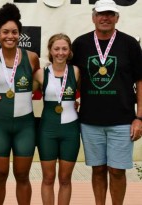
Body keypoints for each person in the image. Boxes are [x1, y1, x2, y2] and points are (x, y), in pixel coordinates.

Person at [71, 0, 142, 204]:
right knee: (99, 169)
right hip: (90, 120)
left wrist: (139, 117)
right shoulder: (81, 43)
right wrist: (71, 99)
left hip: (122, 120)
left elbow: (140, 80)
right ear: (93, 17)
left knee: (117, 171)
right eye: (101, 14)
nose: (105, 18)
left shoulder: (129, 44)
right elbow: (71, 76)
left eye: (110, 14)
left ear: (117, 18)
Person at [0, 3, 40, 205]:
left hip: (25, 127)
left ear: (20, 34)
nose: (10, 36)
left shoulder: (32, 58)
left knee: (23, 176)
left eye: (14, 32)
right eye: (5, 32)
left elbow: (40, 86)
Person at [36, 33, 80, 205]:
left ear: (69, 51)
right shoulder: (40, 74)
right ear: (50, 51)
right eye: (56, 49)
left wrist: (77, 103)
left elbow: (88, 94)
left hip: (70, 131)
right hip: (48, 130)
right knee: (48, 178)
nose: (60, 53)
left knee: (65, 179)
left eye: (64, 49)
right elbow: (21, 92)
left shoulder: (75, 72)